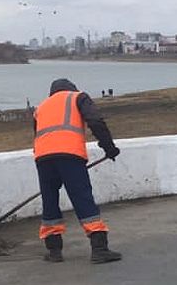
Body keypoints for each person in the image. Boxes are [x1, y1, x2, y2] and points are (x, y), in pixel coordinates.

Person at [33, 78, 122, 263]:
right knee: (82, 198)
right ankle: (99, 248)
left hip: (42, 158)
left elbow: (38, 134)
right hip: (69, 155)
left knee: (49, 201)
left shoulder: (41, 107)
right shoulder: (78, 97)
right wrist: (109, 147)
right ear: (72, 88)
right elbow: (95, 121)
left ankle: (54, 251)